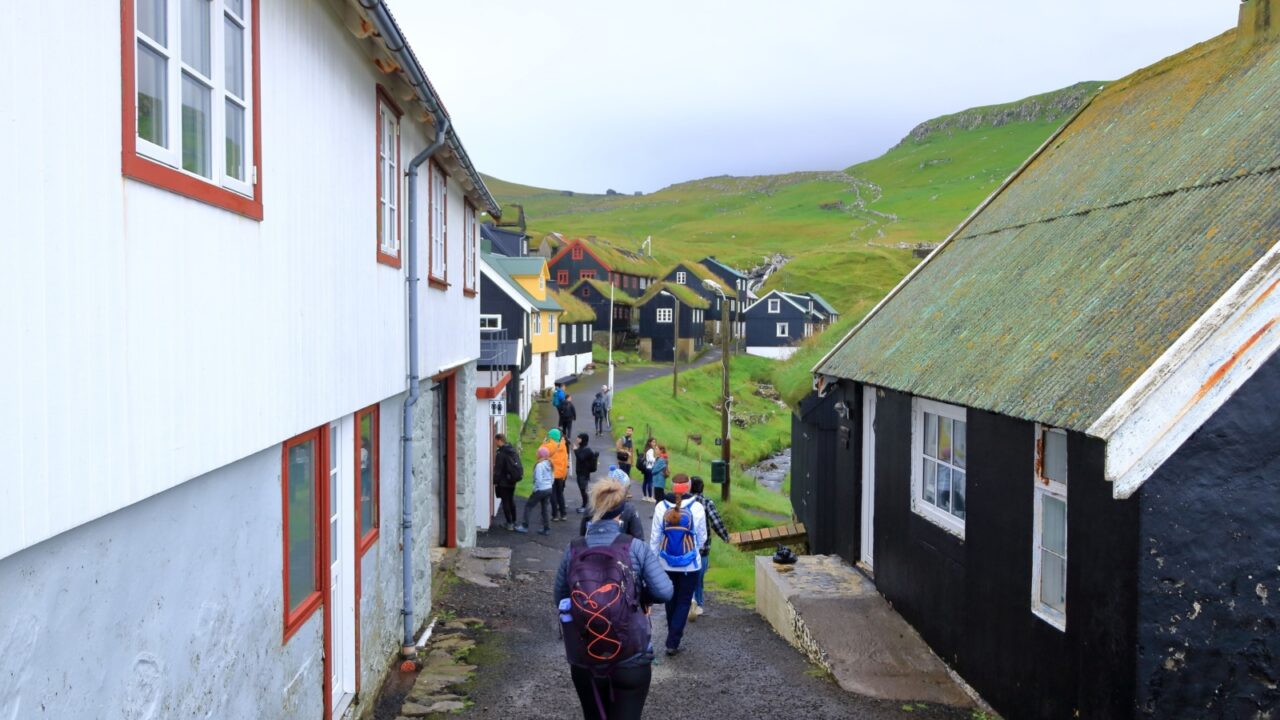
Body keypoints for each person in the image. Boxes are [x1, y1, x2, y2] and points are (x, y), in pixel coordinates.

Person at [555, 478, 672, 720]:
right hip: (631, 654)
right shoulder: (636, 548)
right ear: (621, 512)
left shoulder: (574, 549)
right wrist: (641, 598)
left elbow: (560, 597)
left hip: (585, 654)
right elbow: (665, 591)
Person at [648, 474, 707, 656]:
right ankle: (673, 641)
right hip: (690, 565)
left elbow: (655, 537)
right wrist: (692, 551)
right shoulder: (697, 508)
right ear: (688, 487)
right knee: (683, 601)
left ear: (672, 487)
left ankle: (672, 635)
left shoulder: (661, 506)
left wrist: (654, 560)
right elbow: (702, 537)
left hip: (665, 562)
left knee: (670, 600)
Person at [689, 476, 729, 620]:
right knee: (699, 577)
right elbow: (716, 521)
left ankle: (689, 600)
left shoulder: (683, 502)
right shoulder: (706, 502)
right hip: (703, 548)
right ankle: (698, 604)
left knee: (686, 575)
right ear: (702, 488)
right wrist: (725, 537)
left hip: (685, 547)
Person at [578, 481, 645, 541]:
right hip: (623, 550)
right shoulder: (628, 509)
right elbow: (639, 538)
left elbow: (582, 536)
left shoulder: (590, 508)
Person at [516, 447, 553, 536]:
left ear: (540, 455)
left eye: (537, 453)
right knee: (544, 509)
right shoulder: (549, 463)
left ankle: (524, 526)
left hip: (540, 489)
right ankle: (546, 528)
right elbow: (552, 477)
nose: (536, 454)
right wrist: (549, 485)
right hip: (549, 489)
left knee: (528, 506)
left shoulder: (539, 465)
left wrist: (536, 489)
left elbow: (538, 479)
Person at [492, 433, 523, 531]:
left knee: (505, 502)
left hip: (504, 482)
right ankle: (514, 521)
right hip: (512, 480)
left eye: (496, 441)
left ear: (499, 440)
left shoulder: (501, 453)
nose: (495, 443)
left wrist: (495, 481)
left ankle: (509, 523)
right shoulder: (512, 450)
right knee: (511, 500)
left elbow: (498, 469)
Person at [541, 429, 571, 522]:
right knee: (560, 494)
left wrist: (543, 443)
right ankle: (563, 514)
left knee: (553, 495)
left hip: (552, 473)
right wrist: (564, 474)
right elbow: (566, 460)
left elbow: (540, 454)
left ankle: (555, 515)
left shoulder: (548, 445)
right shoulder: (563, 444)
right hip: (561, 474)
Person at [572, 433, 599, 514]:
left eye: (579, 438)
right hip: (580, 473)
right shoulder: (582, 448)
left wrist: (575, 450)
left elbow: (581, 458)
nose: (577, 439)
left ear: (583, 439)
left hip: (584, 474)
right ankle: (585, 506)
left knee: (584, 490)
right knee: (582, 490)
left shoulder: (587, 450)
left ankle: (586, 507)